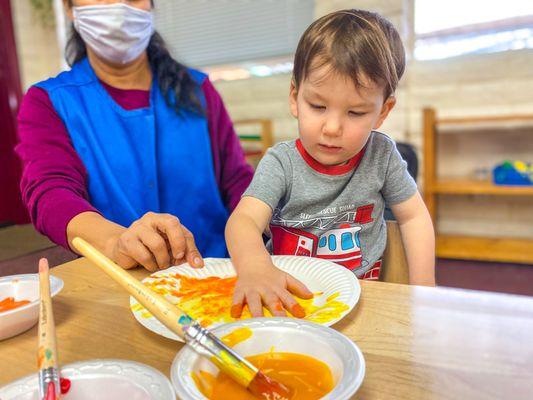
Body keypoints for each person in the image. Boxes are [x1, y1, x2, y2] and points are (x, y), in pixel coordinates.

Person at [226, 9, 435, 319]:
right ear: (295, 97)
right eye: (318, 106)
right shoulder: (282, 163)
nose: (333, 127)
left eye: (356, 113)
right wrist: (256, 265)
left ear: (382, 112)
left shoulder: (382, 156)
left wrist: (423, 288)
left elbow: (414, 217)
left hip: (364, 299)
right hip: (290, 299)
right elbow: (242, 222)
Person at [16, 0, 253, 272]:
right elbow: (51, 193)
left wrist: (255, 251)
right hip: (121, 281)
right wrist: (116, 242)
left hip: (218, 270)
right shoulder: (49, 102)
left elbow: (237, 182)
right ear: (69, 8)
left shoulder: (198, 90)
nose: (116, 8)